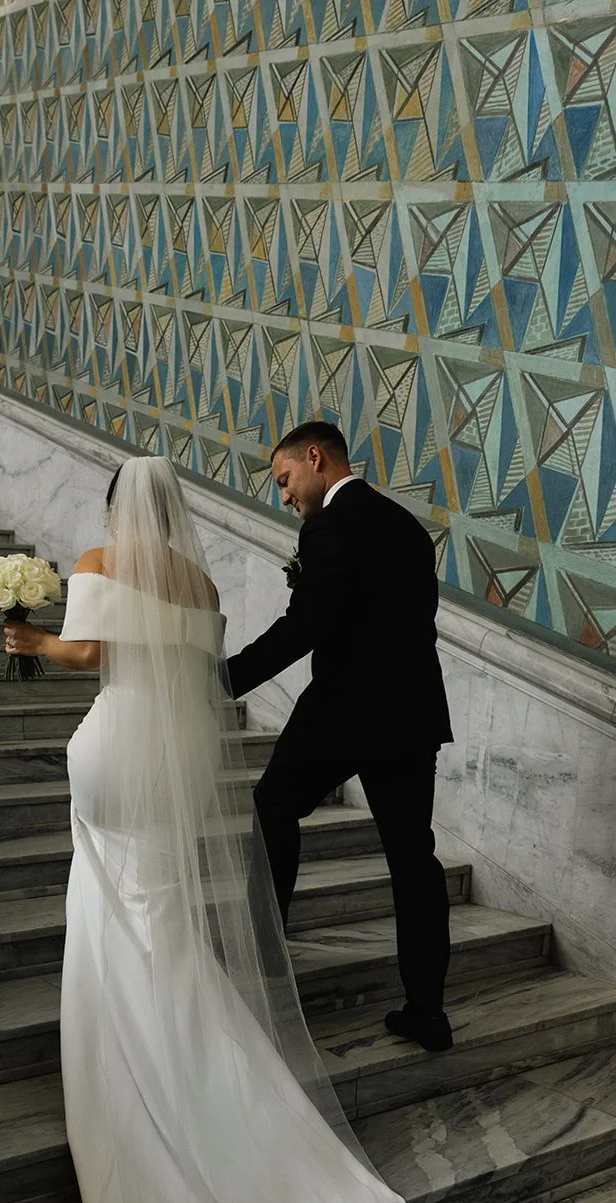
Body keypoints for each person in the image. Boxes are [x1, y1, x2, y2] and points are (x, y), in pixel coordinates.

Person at [4, 455, 512, 1203]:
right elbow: (203, 677)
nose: (278, 484)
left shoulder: (98, 559)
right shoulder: (199, 583)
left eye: (285, 470)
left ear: (109, 511)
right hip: (186, 754)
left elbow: (87, 655)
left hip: (108, 754)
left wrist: (25, 638)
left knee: (115, 921)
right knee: (177, 926)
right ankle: (309, 1044)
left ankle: (137, 1080)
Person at [227, 421, 456, 1053]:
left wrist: (228, 678)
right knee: (414, 860)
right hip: (411, 714)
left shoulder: (328, 524)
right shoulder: (408, 528)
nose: (286, 495)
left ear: (315, 457)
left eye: (285, 480)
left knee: (273, 805)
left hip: (346, 710)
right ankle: (427, 1011)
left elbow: (307, 623)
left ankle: (264, 968)